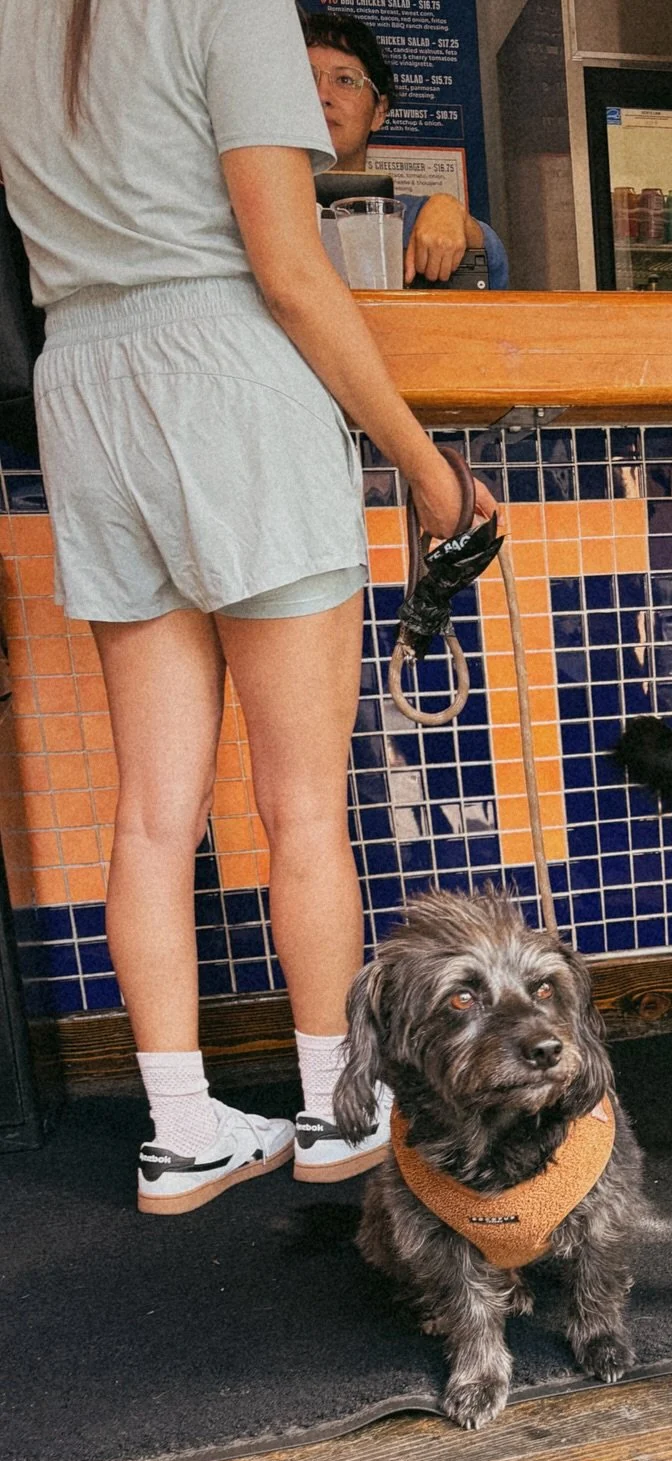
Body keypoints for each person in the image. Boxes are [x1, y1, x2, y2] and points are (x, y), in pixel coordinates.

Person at [0, 0, 495, 1211]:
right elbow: (287, 268)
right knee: (302, 808)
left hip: (86, 388)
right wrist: (430, 472)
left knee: (151, 816)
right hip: (225, 372)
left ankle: (181, 1131)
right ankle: (336, 1114)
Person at [300, 8, 509, 289]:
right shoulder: (250, 208)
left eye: (346, 80)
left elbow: (492, 268)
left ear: (379, 111)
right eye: (306, 78)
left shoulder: (410, 217)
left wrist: (452, 213)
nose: (322, 95)